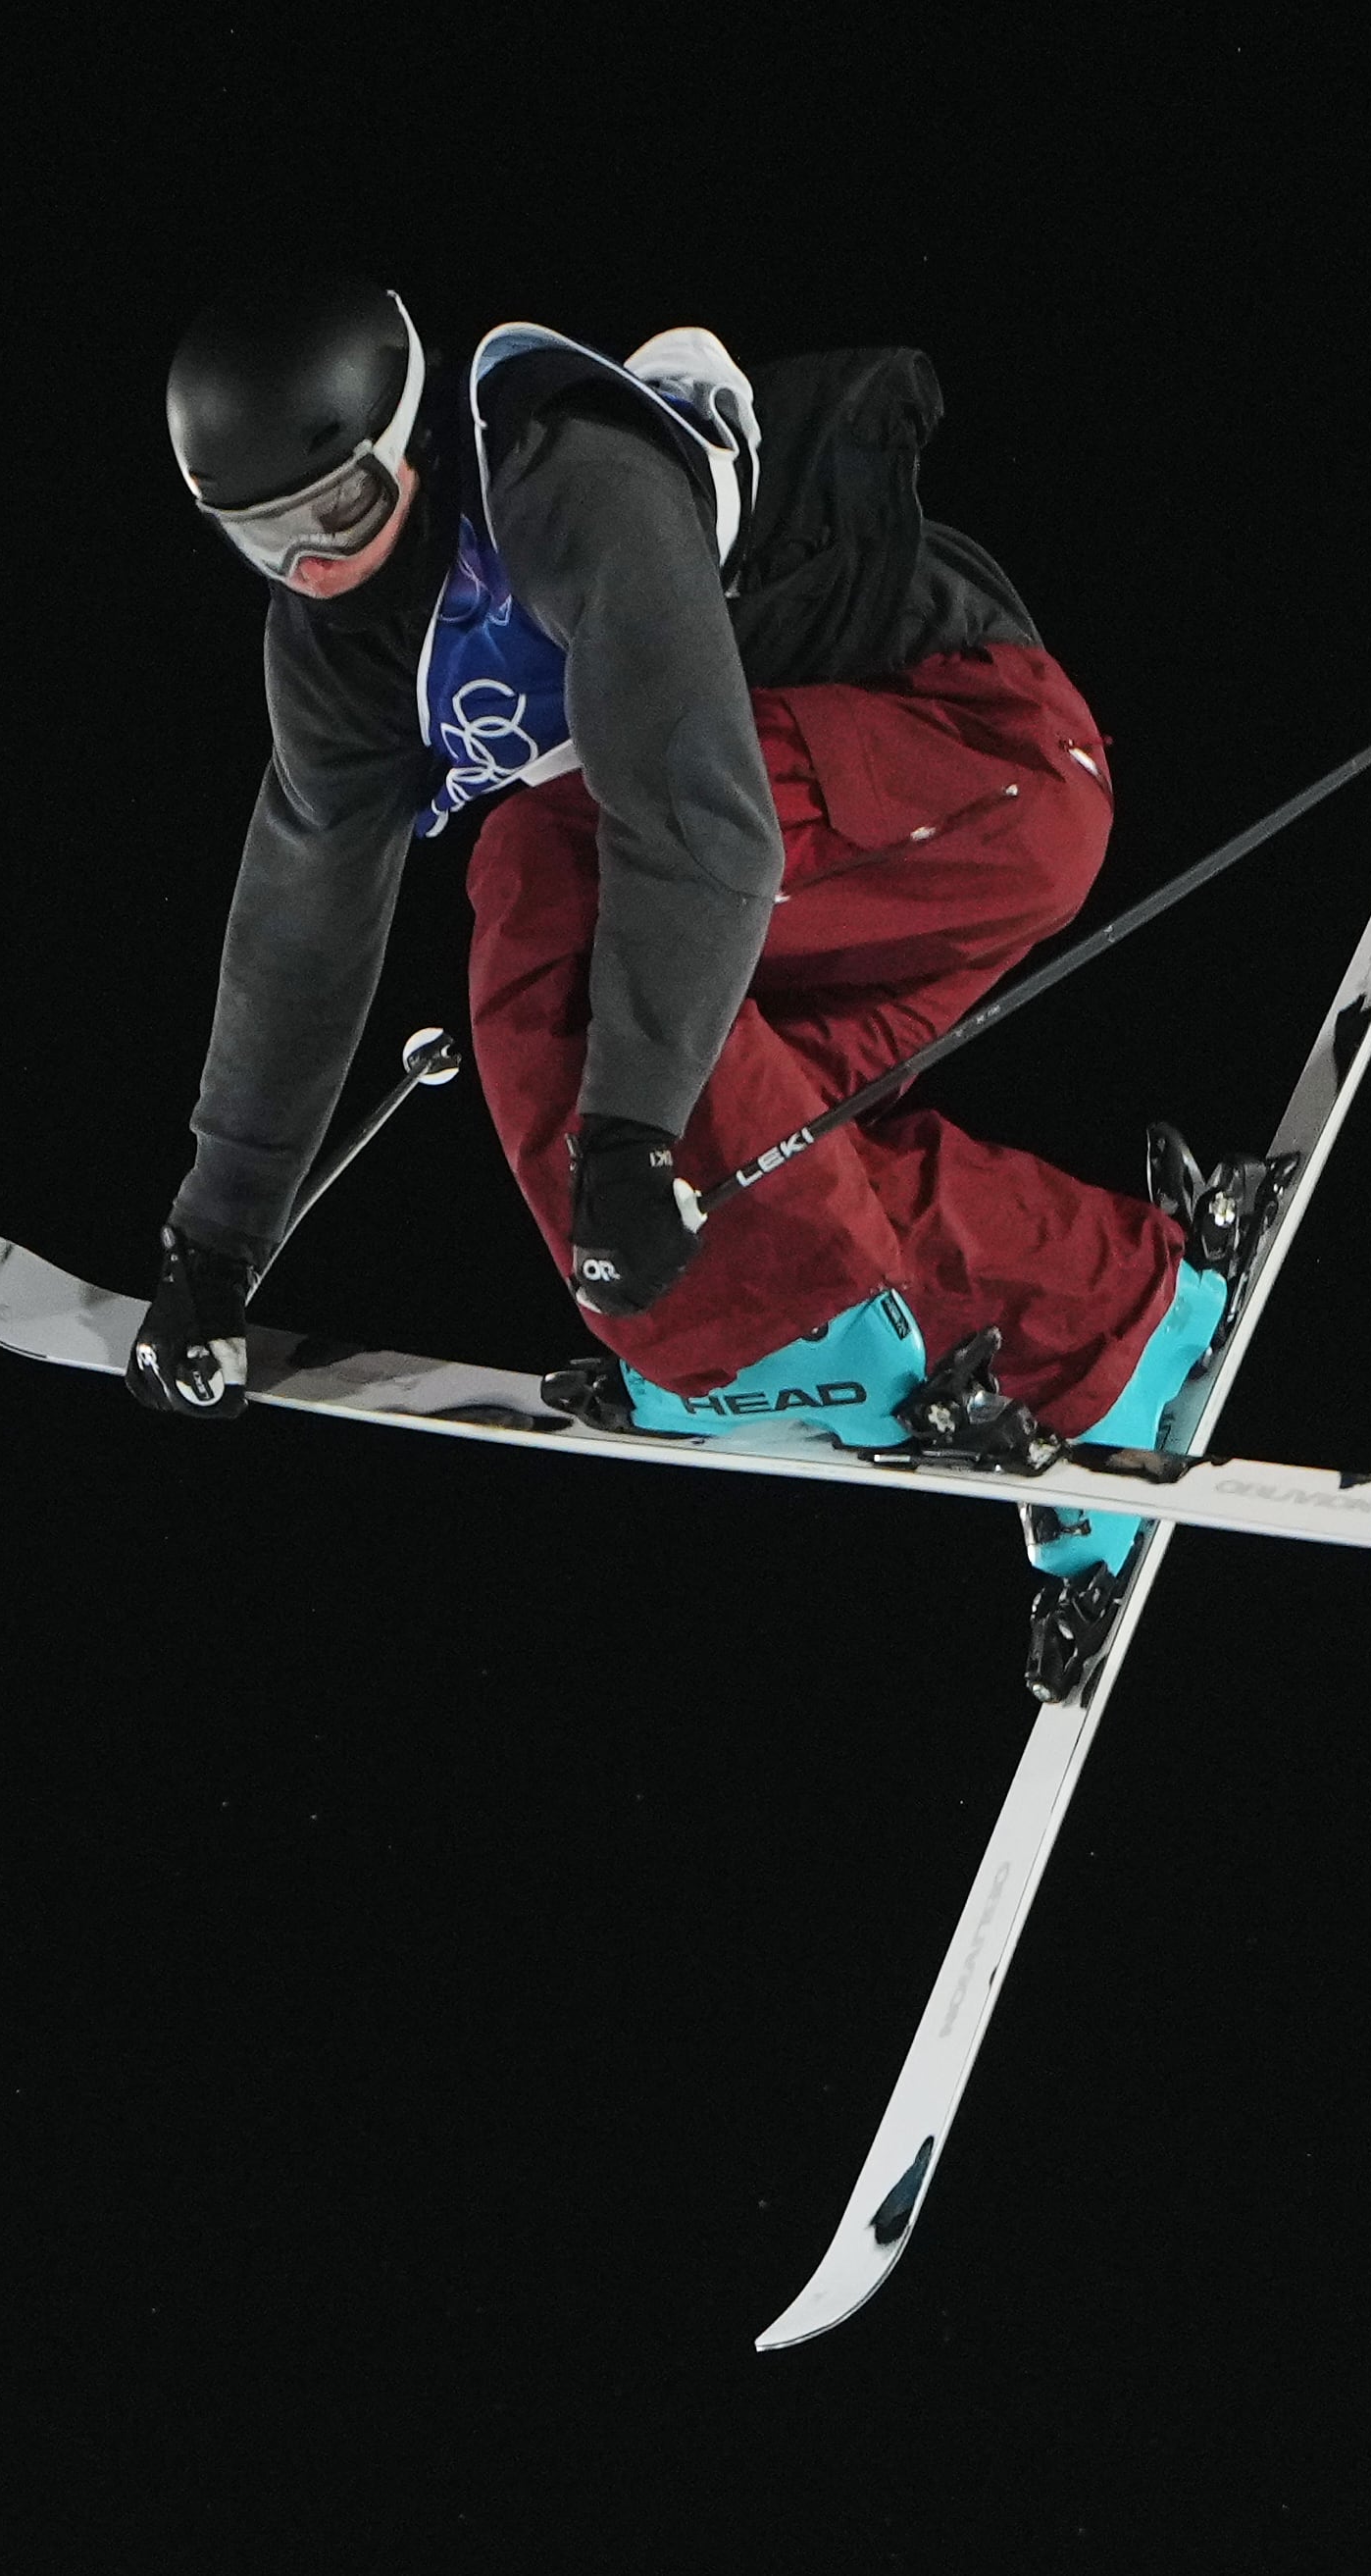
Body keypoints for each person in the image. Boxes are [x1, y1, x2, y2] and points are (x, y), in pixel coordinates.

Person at [124, 273, 1273, 1649]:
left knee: (543, 875)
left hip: (982, 766)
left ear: (411, 441)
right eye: (268, 541)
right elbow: (301, 925)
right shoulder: (334, 657)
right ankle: (1122, 1322)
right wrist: (214, 1243)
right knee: (767, 1164)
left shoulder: (565, 483)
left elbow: (691, 813)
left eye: (342, 512)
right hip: (808, 873)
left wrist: (629, 1137)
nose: (314, 567)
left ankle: (777, 1329)